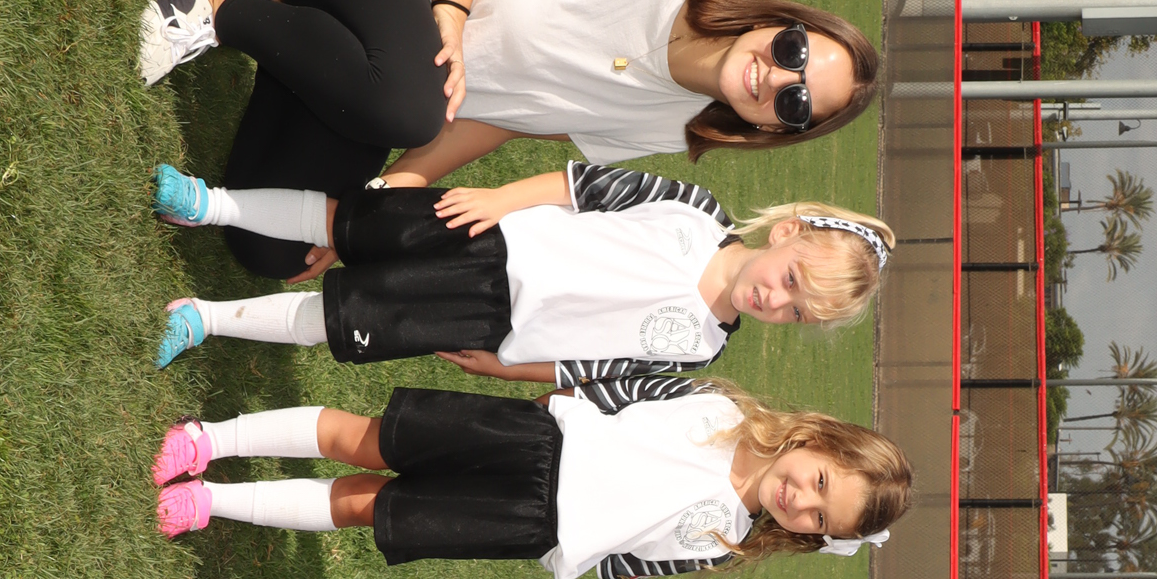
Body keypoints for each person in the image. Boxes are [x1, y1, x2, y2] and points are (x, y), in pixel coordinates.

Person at [135, 0, 881, 279]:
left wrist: (388, 191)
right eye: (793, 50)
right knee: (410, 103)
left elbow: (511, 118)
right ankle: (211, 4)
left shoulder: (672, 119)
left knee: (277, 247)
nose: (775, 77)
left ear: (778, 128)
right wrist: (450, 11)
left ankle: (291, 19)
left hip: (388, 73)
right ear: (781, 21)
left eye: (795, 101)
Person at [147, 165, 892, 380]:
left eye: (796, 314)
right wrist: (500, 198)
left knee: (344, 323)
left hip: (493, 320)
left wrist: (506, 368)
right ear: (787, 234)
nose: (776, 302)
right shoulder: (694, 210)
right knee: (350, 223)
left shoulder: (701, 348)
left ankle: (202, 319)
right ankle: (211, 204)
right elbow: (582, 186)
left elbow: (590, 370)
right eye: (792, 281)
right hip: (495, 233)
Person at [152, 378, 910, 579]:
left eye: (819, 519)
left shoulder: (723, 542)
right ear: (819, 441)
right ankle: (208, 439)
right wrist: (560, 400)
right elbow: (624, 387)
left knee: (370, 508)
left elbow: (628, 563)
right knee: (368, 441)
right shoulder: (720, 410)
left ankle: (210, 501)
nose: (802, 502)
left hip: (529, 523)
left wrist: (566, 546)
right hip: (534, 441)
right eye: (820, 482)